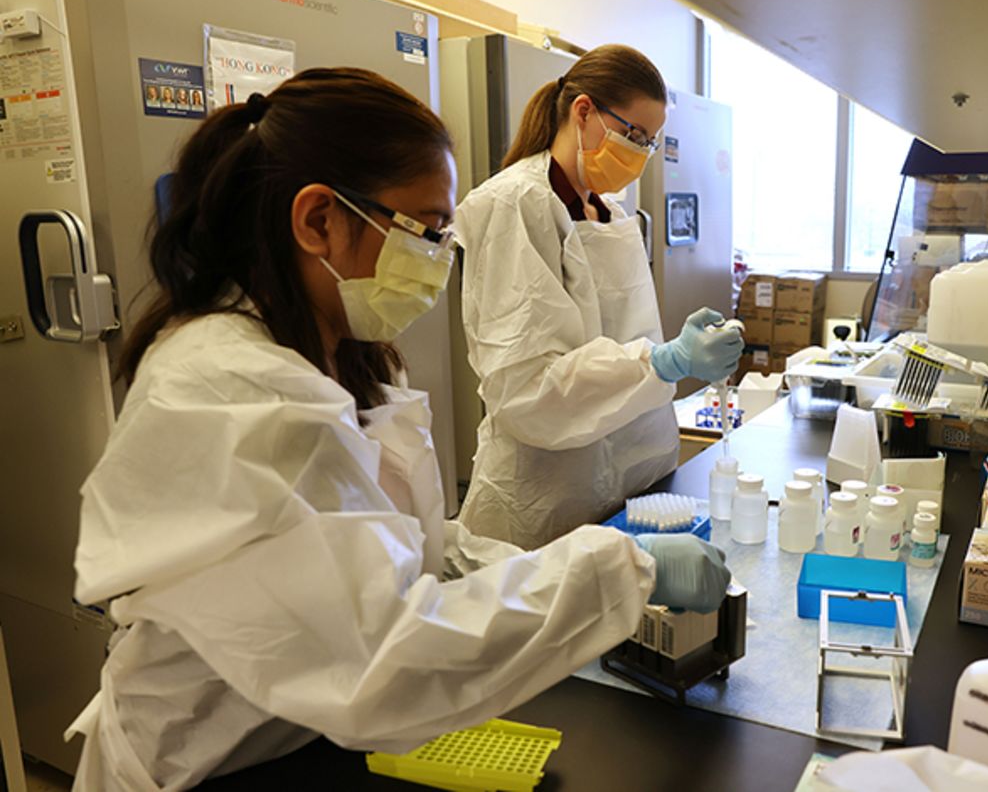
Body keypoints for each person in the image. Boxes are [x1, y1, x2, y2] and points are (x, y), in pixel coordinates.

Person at [65, 68, 730, 791]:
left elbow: (413, 546)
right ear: (319, 219)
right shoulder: (232, 391)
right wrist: (615, 573)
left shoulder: (337, 350)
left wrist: (590, 566)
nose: (441, 259)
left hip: (287, 737)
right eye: (427, 230)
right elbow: (380, 667)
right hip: (199, 762)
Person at [453, 45, 743, 548]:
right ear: (583, 111)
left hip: (629, 484)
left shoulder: (610, 213)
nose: (639, 153)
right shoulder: (515, 204)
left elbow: (621, 340)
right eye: (633, 134)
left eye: (648, 143)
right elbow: (526, 389)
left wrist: (670, 356)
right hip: (542, 502)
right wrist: (663, 363)